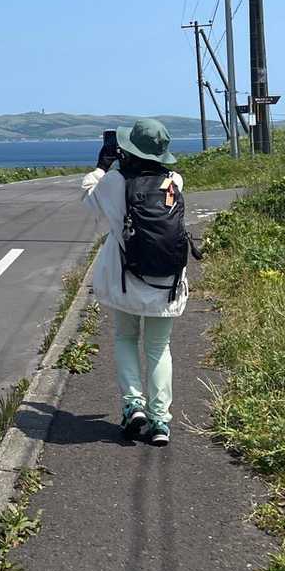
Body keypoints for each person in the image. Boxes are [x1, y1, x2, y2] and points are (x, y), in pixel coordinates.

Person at [81, 117, 189, 446]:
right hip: (165, 282)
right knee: (159, 348)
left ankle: (133, 406)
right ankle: (160, 421)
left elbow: (88, 200)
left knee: (126, 338)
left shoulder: (115, 182)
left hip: (127, 279)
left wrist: (102, 167)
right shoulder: (174, 180)